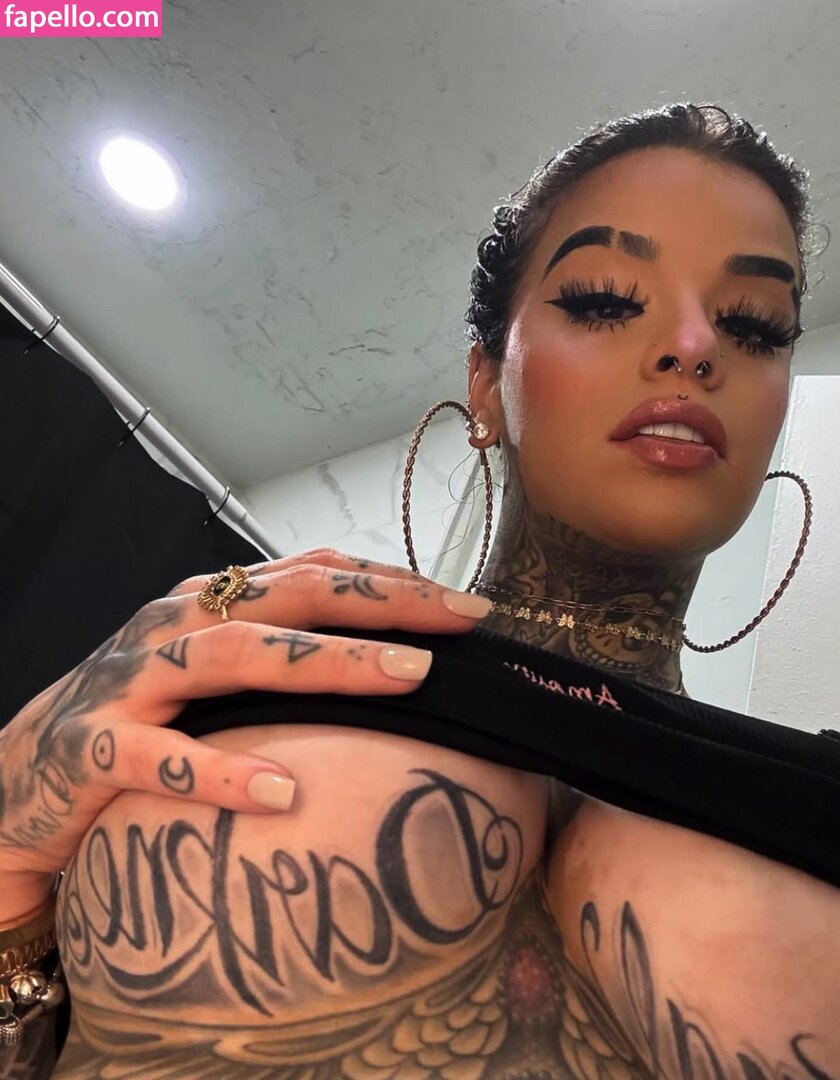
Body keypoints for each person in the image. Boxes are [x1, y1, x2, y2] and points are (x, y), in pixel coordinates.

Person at [1, 102, 838, 1080]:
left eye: (754, 324)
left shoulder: (818, 803)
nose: (695, 346)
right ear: (486, 384)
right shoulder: (236, 663)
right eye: (607, 299)